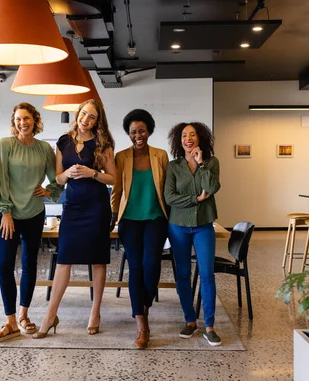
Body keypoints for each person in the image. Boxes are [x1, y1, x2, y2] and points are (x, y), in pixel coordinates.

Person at [33, 99, 116, 339]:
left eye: (91, 116)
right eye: (83, 114)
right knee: (64, 260)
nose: (85, 119)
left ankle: (95, 312)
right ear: (77, 114)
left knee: (98, 260)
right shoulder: (63, 141)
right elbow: (58, 179)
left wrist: (93, 173)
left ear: (97, 121)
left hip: (97, 206)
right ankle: (50, 315)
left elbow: (113, 179)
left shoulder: (103, 144)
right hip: (73, 206)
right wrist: (67, 174)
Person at [0, 102, 63, 342]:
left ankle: (23, 314)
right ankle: (10, 320)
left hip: (34, 213)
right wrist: (6, 212)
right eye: (19, 119)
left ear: (35, 120)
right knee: (4, 265)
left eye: (27, 118)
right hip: (9, 215)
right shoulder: (5, 145)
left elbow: (57, 179)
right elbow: (0, 180)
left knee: (30, 263)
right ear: (14, 122)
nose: (23, 122)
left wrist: (49, 191)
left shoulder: (44, 149)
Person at [110, 109, 169, 349]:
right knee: (135, 268)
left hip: (156, 218)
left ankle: (144, 305)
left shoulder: (160, 155)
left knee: (151, 265)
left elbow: (167, 188)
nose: (138, 135)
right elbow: (116, 189)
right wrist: (113, 216)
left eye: (142, 131)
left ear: (149, 131)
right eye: (133, 131)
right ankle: (141, 322)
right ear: (128, 133)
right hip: (130, 220)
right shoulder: (121, 157)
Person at [164, 122, 222, 346]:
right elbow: (169, 197)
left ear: (200, 138)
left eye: (193, 134)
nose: (188, 138)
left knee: (207, 274)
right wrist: (195, 199)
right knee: (183, 274)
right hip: (178, 225)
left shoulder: (211, 162)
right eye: (184, 135)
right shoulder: (173, 166)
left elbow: (213, 187)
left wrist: (200, 164)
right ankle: (190, 320)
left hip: (204, 225)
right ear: (179, 140)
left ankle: (209, 326)